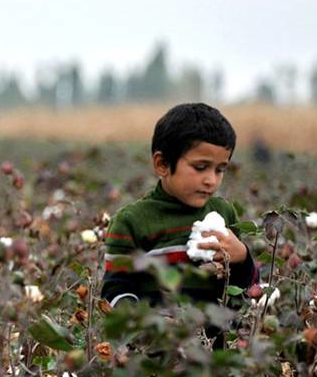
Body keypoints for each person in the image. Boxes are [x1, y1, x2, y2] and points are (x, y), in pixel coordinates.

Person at [101, 103, 258, 346]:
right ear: (162, 164)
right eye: (200, 167)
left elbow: (245, 290)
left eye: (220, 170)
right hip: (155, 357)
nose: (211, 180)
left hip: (216, 355)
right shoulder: (132, 221)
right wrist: (149, 324)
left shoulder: (223, 212)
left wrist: (242, 258)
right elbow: (114, 292)